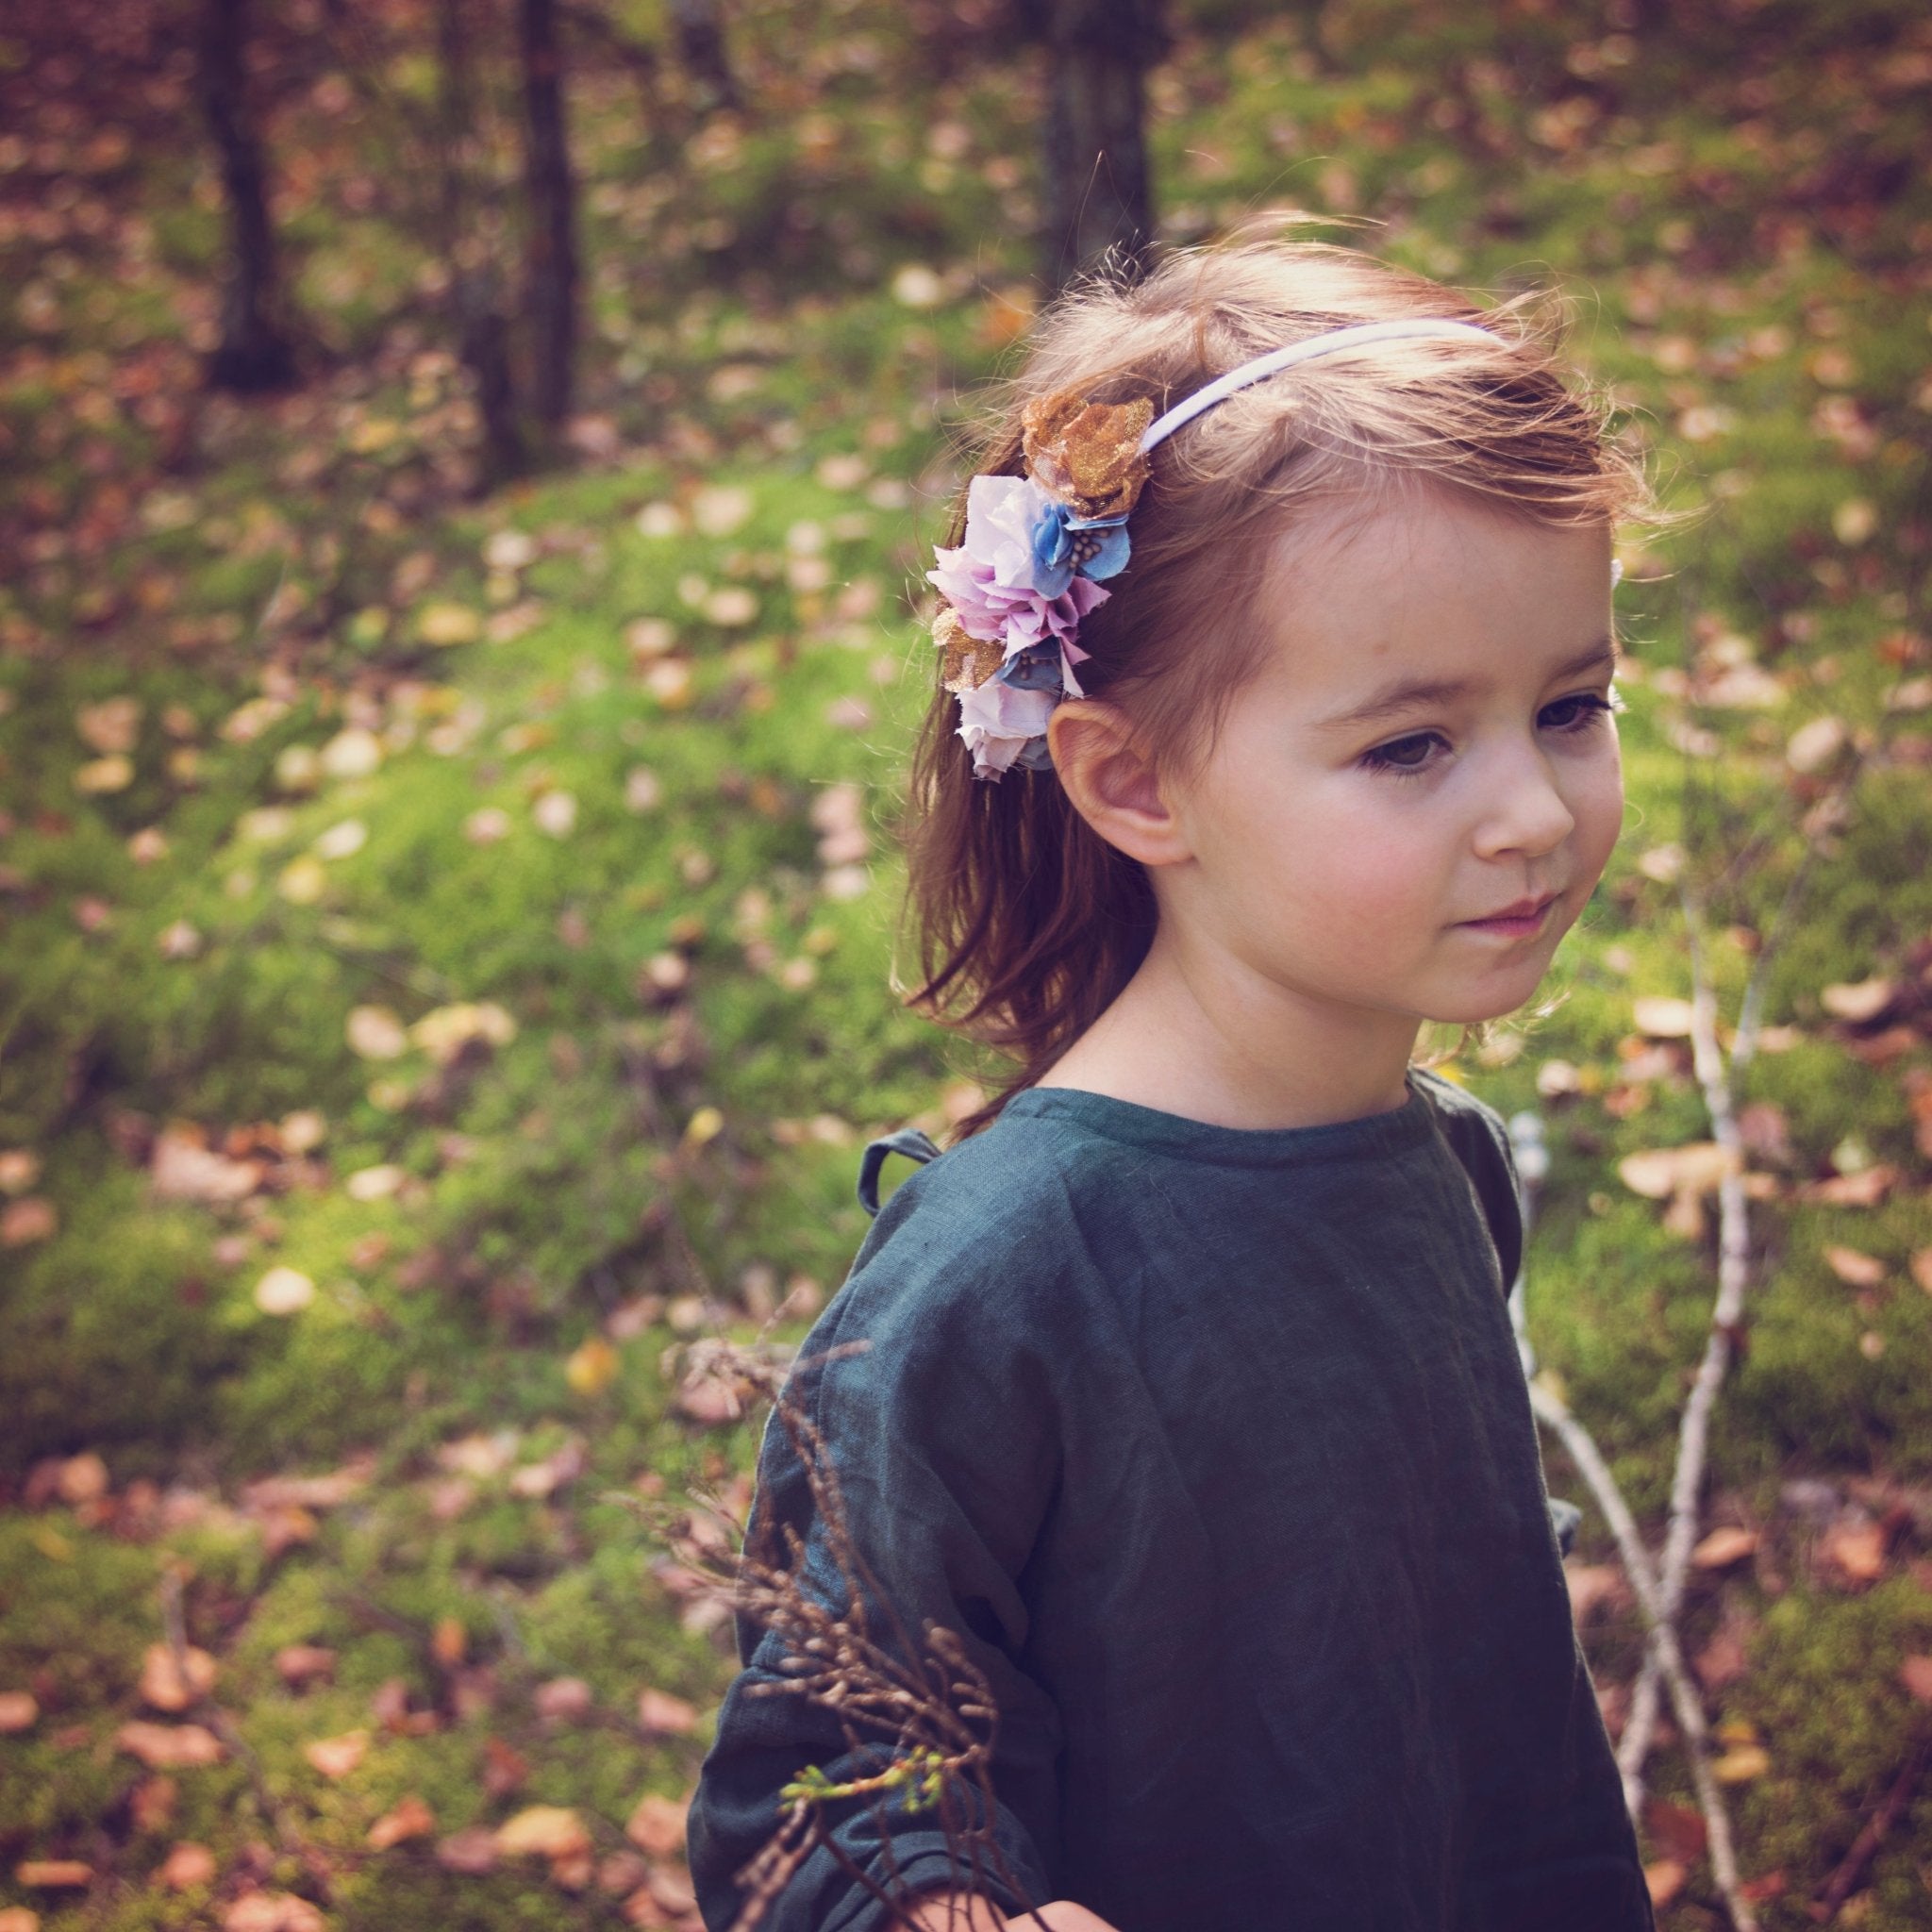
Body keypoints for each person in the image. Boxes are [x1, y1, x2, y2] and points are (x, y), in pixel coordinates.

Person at [688, 227, 1657, 1932]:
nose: (1531, 811)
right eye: (1413, 744)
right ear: (1135, 785)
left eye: (1569, 706)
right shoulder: (999, 1278)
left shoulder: (1440, 1164)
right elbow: (825, 1780)